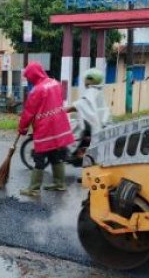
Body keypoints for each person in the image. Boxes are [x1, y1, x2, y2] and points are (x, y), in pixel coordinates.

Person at [18, 61, 75, 196]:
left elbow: (29, 113)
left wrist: (22, 128)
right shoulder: (55, 83)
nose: (29, 79)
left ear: (33, 74)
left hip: (45, 127)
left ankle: (33, 189)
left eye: (29, 76)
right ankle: (59, 183)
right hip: (59, 124)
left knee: (39, 156)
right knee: (55, 154)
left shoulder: (36, 90)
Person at [64, 67, 111, 135]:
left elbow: (78, 106)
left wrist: (56, 111)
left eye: (85, 79)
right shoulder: (98, 91)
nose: (84, 81)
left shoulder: (90, 93)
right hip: (99, 128)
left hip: (92, 132)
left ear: (90, 80)